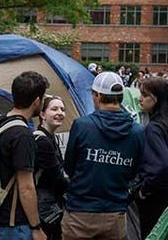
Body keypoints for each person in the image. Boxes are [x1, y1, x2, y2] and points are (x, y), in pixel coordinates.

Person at [62, 71, 144, 240]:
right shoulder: (137, 131)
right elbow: (136, 172)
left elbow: (69, 166)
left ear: (97, 95)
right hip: (115, 212)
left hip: (80, 211)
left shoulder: (82, 125)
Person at [0, 70, 49, 240]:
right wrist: (36, 227)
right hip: (10, 222)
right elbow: (26, 187)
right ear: (36, 101)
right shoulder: (22, 135)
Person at [134, 77, 168, 237]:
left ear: (156, 98)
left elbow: (161, 165)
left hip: (158, 196)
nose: (140, 99)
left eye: (144, 95)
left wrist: (144, 190)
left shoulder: (154, 128)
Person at [34, 95, 69, 240]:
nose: (59, 113)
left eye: (62, 109)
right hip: (43, 208)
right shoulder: (42, 141)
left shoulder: (51, 137)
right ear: (42, 114)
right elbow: (56, 178)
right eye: (54, 109)